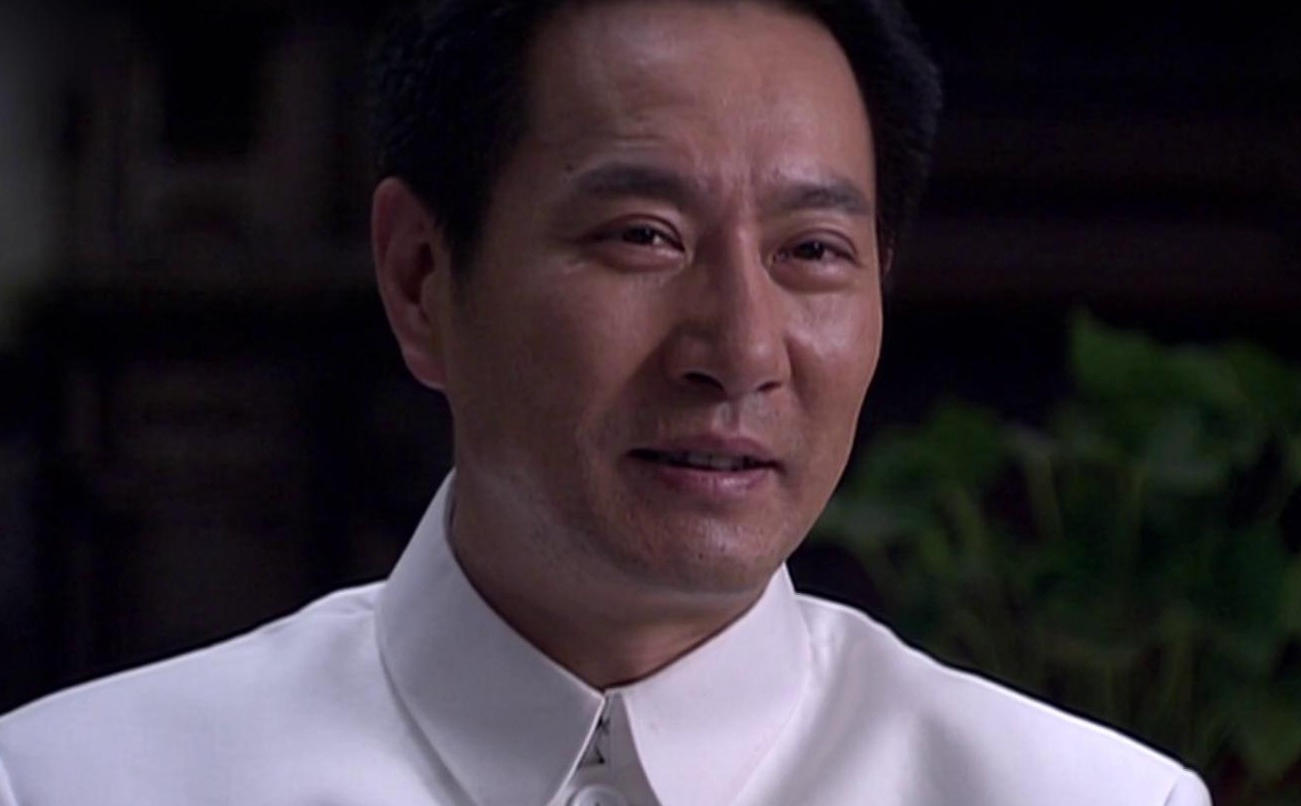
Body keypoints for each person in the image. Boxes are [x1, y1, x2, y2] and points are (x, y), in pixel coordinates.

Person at [0, 1, 1211, 803]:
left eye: (813, 251)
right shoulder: (73, 782)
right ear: (421, 277)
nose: (741, 349)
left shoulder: (1087, 797)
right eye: (642, 235)